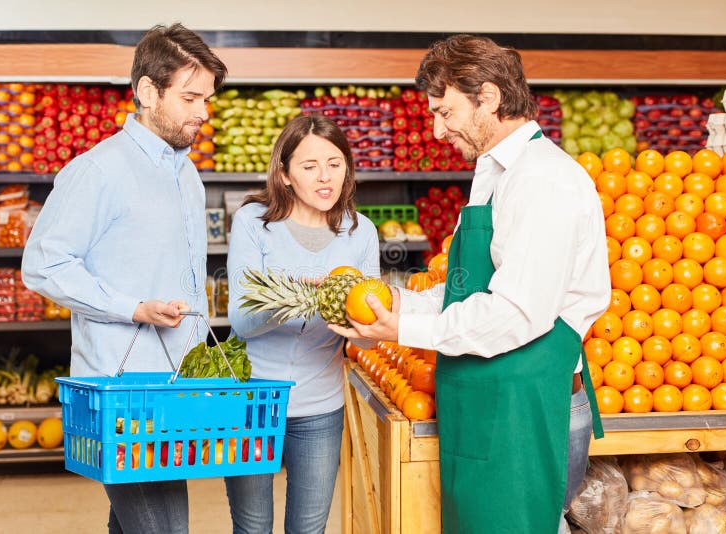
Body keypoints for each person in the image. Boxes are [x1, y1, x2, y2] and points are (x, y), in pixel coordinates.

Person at [329, 34, 610, 533]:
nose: (438, 131)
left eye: (446, 112)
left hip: (525, 409)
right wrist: (402, 302)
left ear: (490, 97)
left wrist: (403, 329)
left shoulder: (544, 180)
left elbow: (518, 312)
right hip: (487, 403)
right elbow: (464, 288)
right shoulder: (494, 174)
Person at [21, 23, 227, 534]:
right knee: (164, 527)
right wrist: (132, 306)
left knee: (137, 522)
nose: (203, 112)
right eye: (190, 97)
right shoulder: (98, 171)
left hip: (177, 386)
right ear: (147, 92)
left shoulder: (187, 174)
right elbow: (44, 264)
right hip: (122, 390)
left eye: (208, 99)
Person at [225, 113, 380, 534]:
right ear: (285, 174)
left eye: (334, 163)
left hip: (320, 407)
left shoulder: (360, 232)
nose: (324, 177)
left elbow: (366, 344)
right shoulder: (255, 224)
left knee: (309, 529)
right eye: (309, 166)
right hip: (252, 403)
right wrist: (298, 297)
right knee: (253, 527)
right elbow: (240, 320)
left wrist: (367, 324)